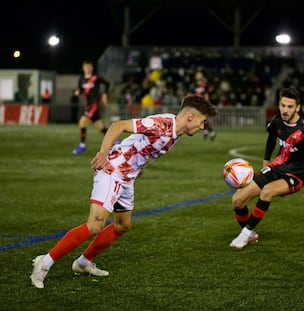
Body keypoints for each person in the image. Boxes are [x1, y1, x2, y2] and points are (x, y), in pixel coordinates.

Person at [30, 94, 217, 289]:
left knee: (122, 225)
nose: (202, 127)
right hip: (113, 169)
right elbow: (118, 125)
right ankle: (44, 263)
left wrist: (140, 167)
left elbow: (148, 149)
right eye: (202, 121)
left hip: (128, 175)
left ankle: (83, 263)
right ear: (190, 117)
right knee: (95, 224)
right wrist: (103, 153)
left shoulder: (176, 133)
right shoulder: (161, 124)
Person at [229, 87, 304, 250]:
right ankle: (250, 234)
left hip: (296, 174)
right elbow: (271, 138)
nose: (285, 110)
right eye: (283, 105)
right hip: (277, 166)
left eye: (290, 106)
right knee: (237, 200)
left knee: (267, 191)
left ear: (298, 108)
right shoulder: (277, 120)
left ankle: (245, 234)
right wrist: (266, 160)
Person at [72, 60, 111, 155]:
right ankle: (116, 141)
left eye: (90, 66)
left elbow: (107, 83)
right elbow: (81, 89)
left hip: (94, 105)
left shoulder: (96, 78)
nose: (88, 68)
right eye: (86, 66)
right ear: (83, 68)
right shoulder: (81, 79)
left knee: (82, 123)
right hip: (87, 105)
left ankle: (82, 145)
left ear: (92, 68)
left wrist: (104, 94)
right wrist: (78, 92)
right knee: (100, 127)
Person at [194, 70, 217, 140]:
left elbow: (207, 95)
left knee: (204, 118)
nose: (197, 75)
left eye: (198, 74)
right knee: (202, 119)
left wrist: (206, 104)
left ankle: (209, 131)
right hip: (197, 104)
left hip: (203, 104)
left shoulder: (205, 84)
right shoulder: (195, 84)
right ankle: (208, 131)